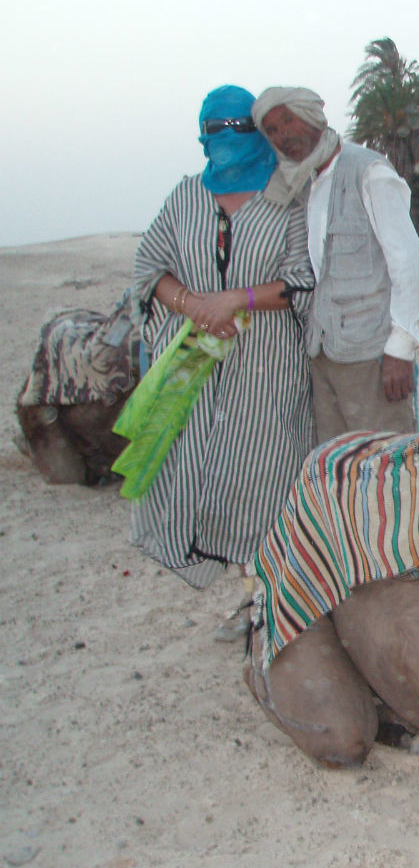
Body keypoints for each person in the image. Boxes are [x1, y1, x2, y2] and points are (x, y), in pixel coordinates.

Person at [130, 85, 315, 594]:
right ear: (202, 135)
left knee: (264, 459)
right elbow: (150, 269)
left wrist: (236, 300)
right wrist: (195, 306)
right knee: (189, 453)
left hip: (266, 358)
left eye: (240, 127)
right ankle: (197, 545)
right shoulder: (187, 194)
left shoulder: (289, 194)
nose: (228, 137)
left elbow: (303, 279)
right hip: (191, 354)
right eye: (216, 129)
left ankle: (265, 577)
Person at [251, 86, 419, 444]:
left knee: (387, 464)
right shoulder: (304, 182)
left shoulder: (369, 171)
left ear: (314, 116)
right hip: (324, 355)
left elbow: (407, 261)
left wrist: (400, 348)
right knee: (339, 468)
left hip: (373, 357)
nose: (283, 135)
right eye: (272, 131)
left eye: (288, 120)